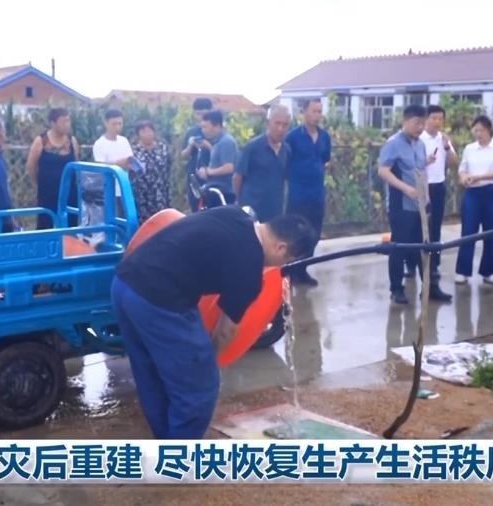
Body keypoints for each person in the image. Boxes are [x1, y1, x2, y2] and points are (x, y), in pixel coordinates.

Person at [111, 207, 318, 438]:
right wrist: (209, 362)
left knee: (151, 375)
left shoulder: (234, 214)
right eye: (287, 260)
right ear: (281, 248)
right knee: (199, 390)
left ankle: (165, 444)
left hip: (124, 282)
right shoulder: (249, 269)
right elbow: (225, 331)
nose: (280, 266)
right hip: (158, 300)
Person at [377, 105, 453, 304]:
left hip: (420, 204)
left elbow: (422, 171)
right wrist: (406, 189)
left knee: (425, 246)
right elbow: (383, 171)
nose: (420, 127)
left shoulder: (420, 145)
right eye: (416, 123)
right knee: (399, 247)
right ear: (405, 121)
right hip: (401, 204)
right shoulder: (393, 144)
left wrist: (426, 198)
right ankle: (396, 289)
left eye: (422, 123)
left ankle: (430, 288)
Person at [454, 115, 493, 285]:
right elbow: (463, 168)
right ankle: (462, 271)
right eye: (476, 130)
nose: (478, 134)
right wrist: (464, 177)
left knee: (491, 232)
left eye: (481, 130)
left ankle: (488, 271)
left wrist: (479, 177)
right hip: (473, 193)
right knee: (468, 231)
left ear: (489, 130)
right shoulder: (470, 148)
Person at [285, 99, 332, 287]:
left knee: (314, 234)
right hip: (298, 195)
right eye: (314, 111)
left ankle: (303, 270)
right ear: (304, 112)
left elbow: (324, 159)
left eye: (320, 111)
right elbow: (286, 161)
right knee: (297, 234)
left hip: (317, 194)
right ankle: (292, 271)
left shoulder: (325, 137)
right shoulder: (293, 137)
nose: (317, 115)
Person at [417, 105, 459, 286]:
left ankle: (434, 264)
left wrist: (447, 147)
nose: (437, 122)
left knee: (435, 227)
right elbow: (412, 163)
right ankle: (412, 263)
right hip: (421, 186)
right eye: (433, 118)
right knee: (417, 226)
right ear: (426, 119)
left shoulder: (443, 139)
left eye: (440, 119)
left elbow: (453, 162)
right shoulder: (419, 139)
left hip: (438, 186)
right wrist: (425, 161)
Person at [233, 104, 291, 222]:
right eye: (277, 123)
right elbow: (237, 177)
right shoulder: (253, 147)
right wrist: (240, 203)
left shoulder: (287, 150)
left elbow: (284, 181)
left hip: (274, 213)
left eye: (285, 125)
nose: (280, 129)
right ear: (268, 123)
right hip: (252, 212)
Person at [25, 108, 80, 229]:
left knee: (71, 224)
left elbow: (76, 163)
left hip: (69, 192)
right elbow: (31, 165)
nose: (67, 124)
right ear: (53, 123)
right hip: (47, 193)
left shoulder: (72, 141)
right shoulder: (41, 141)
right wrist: (38, 183)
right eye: (63, 121)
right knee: (46, 223)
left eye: (68, 121)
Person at [90, 109, 136, 237]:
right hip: (109, 191)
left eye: (120, 124)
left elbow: (130, 162)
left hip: (124, 188)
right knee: (112, 224)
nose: (117, 127)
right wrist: (118, 163)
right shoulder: (100, 144)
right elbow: (100, 168)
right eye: (114, 124)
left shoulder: (124, 141)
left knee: (126, 223)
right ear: (106, 123)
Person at [195, 110, 239, 206]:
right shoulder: (218, 142)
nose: (203, 130)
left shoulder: (226, 142)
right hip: (216, 191)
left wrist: (208, 172)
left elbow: (229, 167)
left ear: (217, 126)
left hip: (224, 193)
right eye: (202, 127)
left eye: (205, 127)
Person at [131, 121, 171, 223]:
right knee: (145, 221)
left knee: (163, 219)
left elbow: (169, 165)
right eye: (143, 131)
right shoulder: (134, 151)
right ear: (138, 134)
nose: (147, 134)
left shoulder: (162, 148)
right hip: (142, 193)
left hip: (161, 190)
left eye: (150, 131)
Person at [181, 98, 213, 212]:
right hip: (194, 177)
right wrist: (190, 146)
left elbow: (222, 155)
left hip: (211, 176)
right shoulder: (191, 132)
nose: (201, 117)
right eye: (198, 114)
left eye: (204, 114)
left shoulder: (216, 131)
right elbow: (183, 156)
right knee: (195, 209)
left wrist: (207, 145)